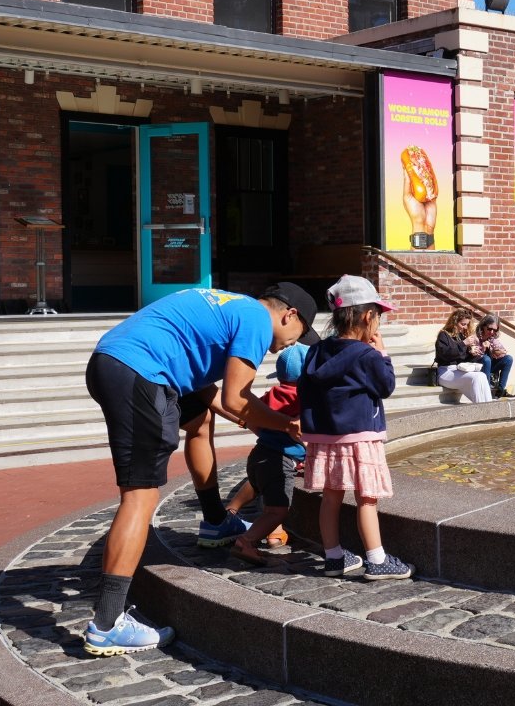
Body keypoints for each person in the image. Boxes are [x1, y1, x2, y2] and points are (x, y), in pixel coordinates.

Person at [83, 282, 320, 656]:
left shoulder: (230, 306)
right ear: (288, 314)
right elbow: (236, 397)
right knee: (140, 494)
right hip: (140, 372)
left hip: (115, 362)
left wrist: (261, 423)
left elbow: (213, 397)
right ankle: (107, 624)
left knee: (199, 423)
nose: (293, 343)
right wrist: (286, 426)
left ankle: (215, 521)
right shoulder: (258, 320)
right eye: (299, 333)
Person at [298, 274, 414, 581]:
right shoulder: (365, 354)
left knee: (331, 495)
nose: (378, 324)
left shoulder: (316, 351)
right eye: (378, 317)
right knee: (367, 496)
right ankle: (376, 558)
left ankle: (334, 556)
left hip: (326, 437)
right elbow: (386, 385)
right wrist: (382, 353)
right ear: (366, 316)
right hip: (360, 434)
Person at [229, 342, 309, 565]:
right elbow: (305, 435)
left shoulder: (272, 393)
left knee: (261, 492)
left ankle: (237, 513)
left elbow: (250, 418)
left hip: (259, 454)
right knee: (277, 511)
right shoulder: (303, 399)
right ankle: (246, 542)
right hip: (278, 460)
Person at [435, 308, 493, 403]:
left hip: (459, 370)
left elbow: (464, 358)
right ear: (454, 322)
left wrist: (472, 353)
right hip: (445, 372)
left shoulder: (460, 336)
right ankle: (481, 409)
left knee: (482, 375)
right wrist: (463, 343)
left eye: (466, 324)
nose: (465, 327)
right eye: (463, 324)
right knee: (476, 378)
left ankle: (489, 406)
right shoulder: (443, 335)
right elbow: (446, 354)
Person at [473, 313, 514, 398]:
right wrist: (484, 349)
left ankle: (500, 390)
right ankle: (486, 391)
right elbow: (473, 356)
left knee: (508, 359)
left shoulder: (492, 338)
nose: (492, 332)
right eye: (489, 329)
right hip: (477, 365)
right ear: (483, 326)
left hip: (489, 365)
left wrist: (496, 351)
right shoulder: (475, 337)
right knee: (486, 359)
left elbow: (503, 351)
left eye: (495, 330)